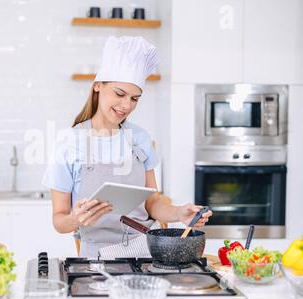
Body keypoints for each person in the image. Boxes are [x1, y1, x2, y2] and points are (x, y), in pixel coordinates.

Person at [43, 36, 213, 257]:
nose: (126, 105)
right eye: (119, 94)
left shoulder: (139, 138)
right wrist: (75, 219)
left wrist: (178, 213)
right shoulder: (69, 142)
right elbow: (59, 220)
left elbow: (152, 202)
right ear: (97, 86)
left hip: (145, 251)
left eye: (135, 98)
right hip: (95, 257)